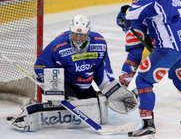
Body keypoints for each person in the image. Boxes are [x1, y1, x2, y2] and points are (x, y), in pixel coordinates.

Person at [8, 15, 137, 132]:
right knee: (71, 105)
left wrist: (111, 89)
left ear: (88, 34)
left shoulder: (99, 43)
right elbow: (41, 66)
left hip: (85, 85)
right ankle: (32, 115)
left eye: (82, 36)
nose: (78, 39)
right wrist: (53, 88)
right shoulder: (59, 45)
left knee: (94, 106)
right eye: (75, 35)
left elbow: (102, 70)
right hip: (64, 83)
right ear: (70, 32)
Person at [126, 0, 181, 139]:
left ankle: (148, 126)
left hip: (168, 48)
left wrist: (123, 13)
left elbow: (132, 14)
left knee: (143, 80)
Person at [116, 0, 162, 87]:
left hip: (159, 23)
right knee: (135, 52)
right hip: (143, 21)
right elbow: (139, 4)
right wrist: (126, 14)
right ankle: (123, 84)